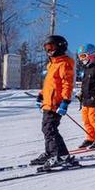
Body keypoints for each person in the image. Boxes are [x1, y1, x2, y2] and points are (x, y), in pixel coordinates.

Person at [30, 35, 79, 168]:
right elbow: (49, 84)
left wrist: (65, 101)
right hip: (48, 103)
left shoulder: (64, 63)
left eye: (51, 47)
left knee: (50, 129)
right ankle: (50, 153)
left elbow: (67, 84)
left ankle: (61, 156)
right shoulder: (52, 64)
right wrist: (41, 95)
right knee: (46, 129)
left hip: (56, 103)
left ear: (61, 46)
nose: (49, 51)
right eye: (46, 48)